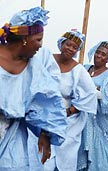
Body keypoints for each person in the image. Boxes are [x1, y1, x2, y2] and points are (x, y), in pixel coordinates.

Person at [0, 7, 68, 171]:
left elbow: (47, 100)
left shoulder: (34, 67)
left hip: (11, 136)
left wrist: (45, 133)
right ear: (24, 39)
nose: (40, 46)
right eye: (38, 40)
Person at [42, 30, 97, 171]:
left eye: (75, 48)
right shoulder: (46, 59)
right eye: (68, 45)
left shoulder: (78, 70)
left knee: (62, 156)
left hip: (67, 120)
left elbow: (90, 94)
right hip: (42, 113)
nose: (70, 49)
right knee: (39, 154)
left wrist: (69, 111)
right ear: (61, 44)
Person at [77, 41, 108, 171]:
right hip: (78, 116)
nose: (99, 56)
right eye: (98, 52)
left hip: (96, 121)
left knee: (96, 153)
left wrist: (98, 91)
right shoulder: (84, 68)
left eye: (103, 54)